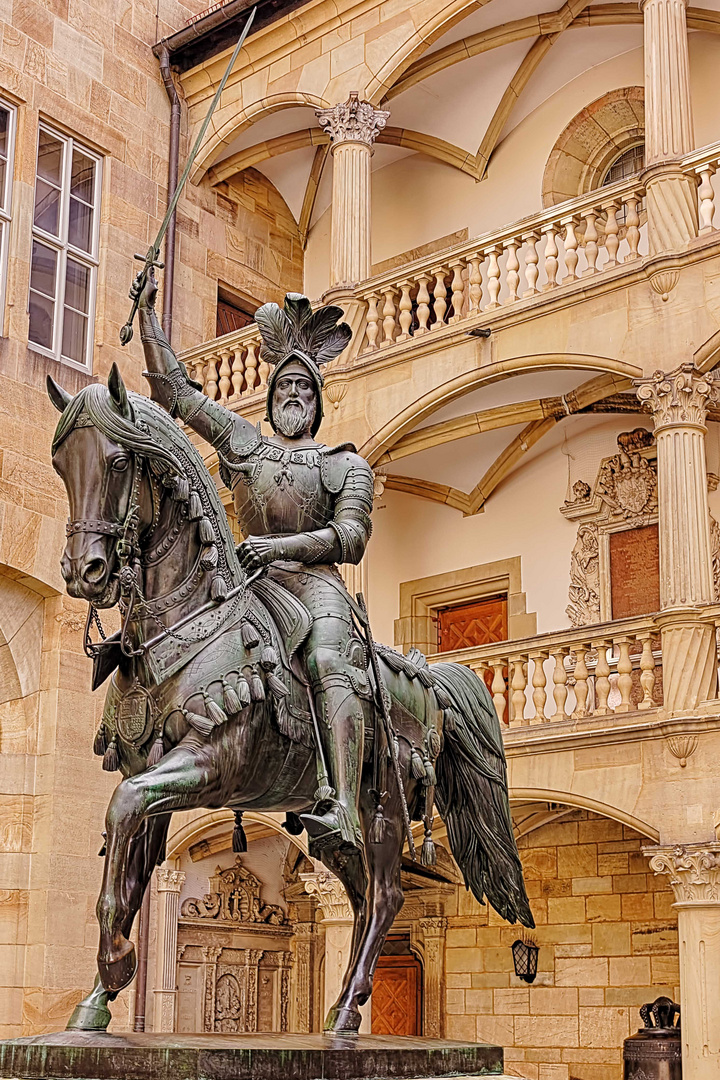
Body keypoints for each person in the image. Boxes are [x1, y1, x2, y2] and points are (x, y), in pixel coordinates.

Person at [134, 275, 374, 858]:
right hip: (248, 582)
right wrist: (148, 321)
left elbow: (352, 537)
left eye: (304, 388)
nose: (293, 394)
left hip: (315, 588)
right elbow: (180, 396)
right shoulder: (246, 443)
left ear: (316, 402)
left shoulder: (344, 464)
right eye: (285, 386)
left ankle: (342, 803)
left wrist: (280, 550)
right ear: (271, 399)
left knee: (323, 658)